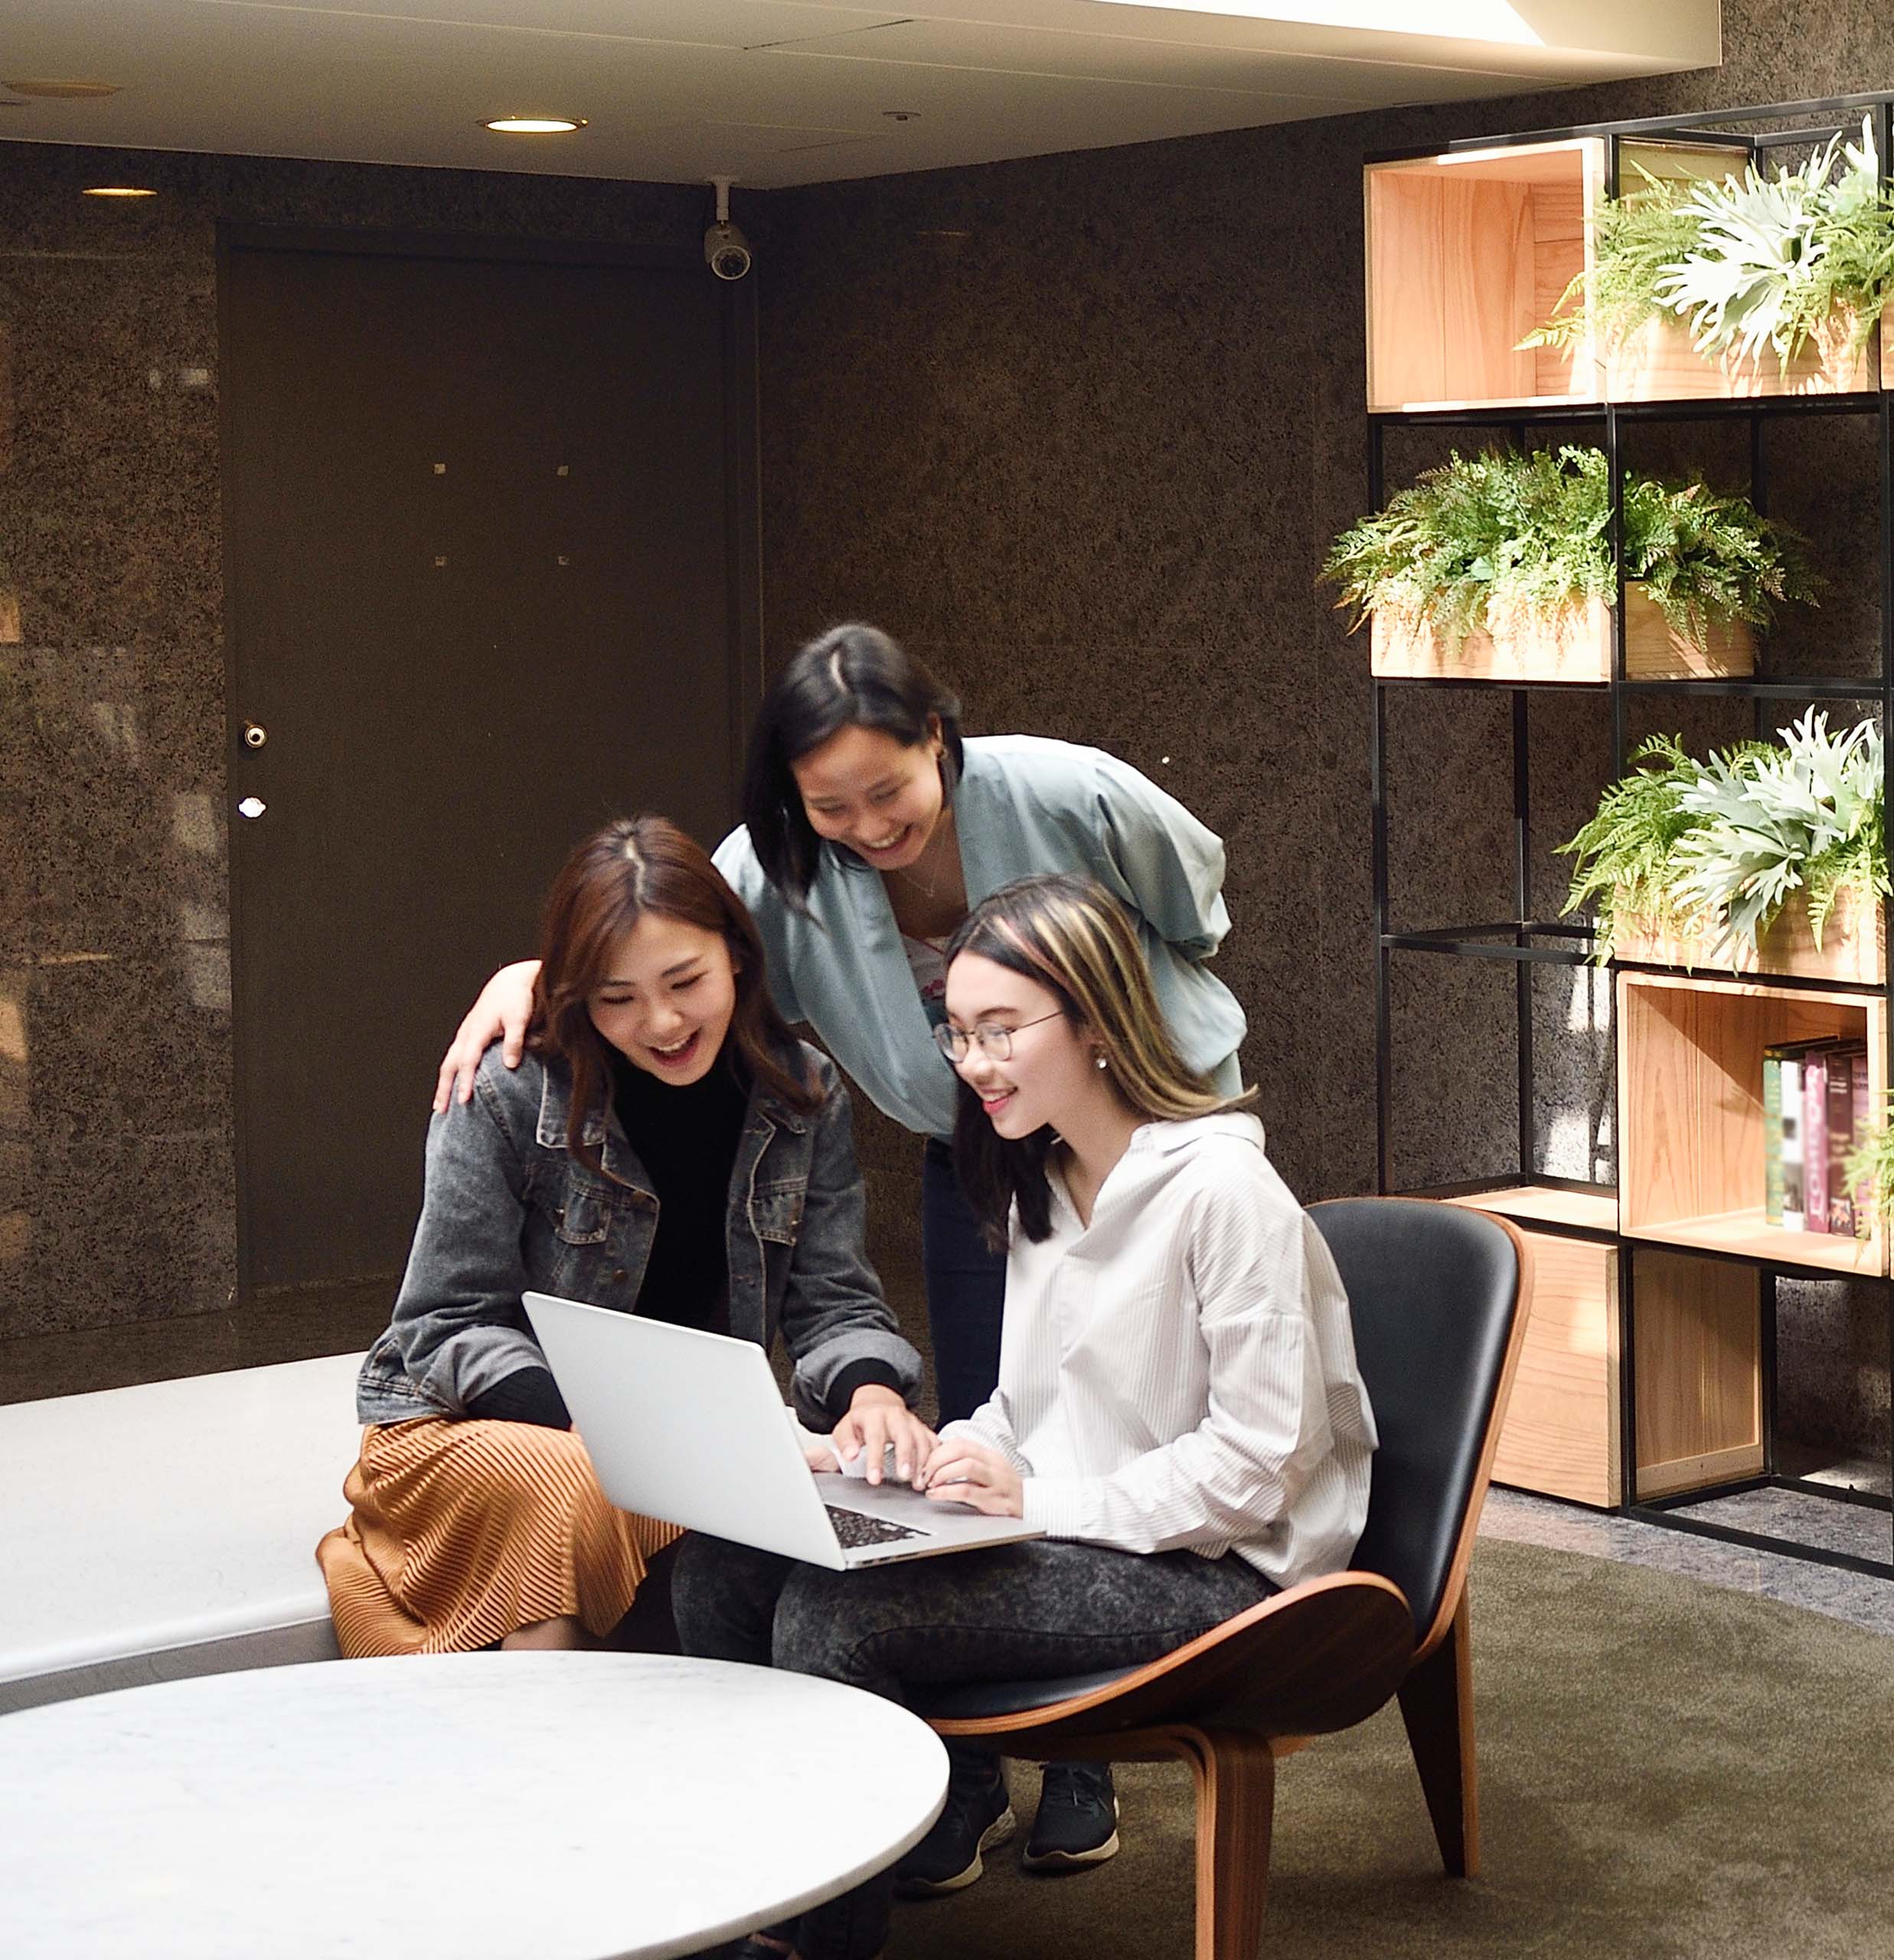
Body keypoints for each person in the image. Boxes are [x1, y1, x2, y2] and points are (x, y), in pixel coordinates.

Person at [433, 625, 1246, 1858]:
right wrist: (535, 976)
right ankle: (950, 1782)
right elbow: (664, 928)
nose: (869, 826)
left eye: (891, 791)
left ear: (940, 739)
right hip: (978, 1143)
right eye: (832, 806)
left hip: (1134, 1114)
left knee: (1119, 1413)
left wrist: (1109, 1043)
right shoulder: (769, 871)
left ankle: (1079, 1761)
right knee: (986, 1428)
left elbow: (1197, 899)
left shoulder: (1066, 791)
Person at [673, 874, 1374, 1960]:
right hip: (1080, 1526)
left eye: (1001, 1031)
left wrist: (1039, 1500)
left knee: (834, 1618)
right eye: (957, 1033)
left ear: (1095, 1022)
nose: (974, 1064)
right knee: (720, 1572)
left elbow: (1259, 1466)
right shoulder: (1041, 1177)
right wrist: (931, 1453)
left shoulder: (1224, 1192)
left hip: (1225, 1570)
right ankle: (750, 1916)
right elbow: (1024, 1404)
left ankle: (826, 1947)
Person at [320, 817, 932, 1658]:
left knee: (856, 1511)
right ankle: (552, 1768)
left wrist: (871, 1394)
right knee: (574, 1484)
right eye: (619, 999)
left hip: (679, 1444)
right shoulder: (506, 1090)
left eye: (687, 981)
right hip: (475, 1432)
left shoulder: (802, 1092)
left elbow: (836, 1302)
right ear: (577, 995)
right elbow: (442, 1326)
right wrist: (609, 1425)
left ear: (739, 959)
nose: (664, 1021)